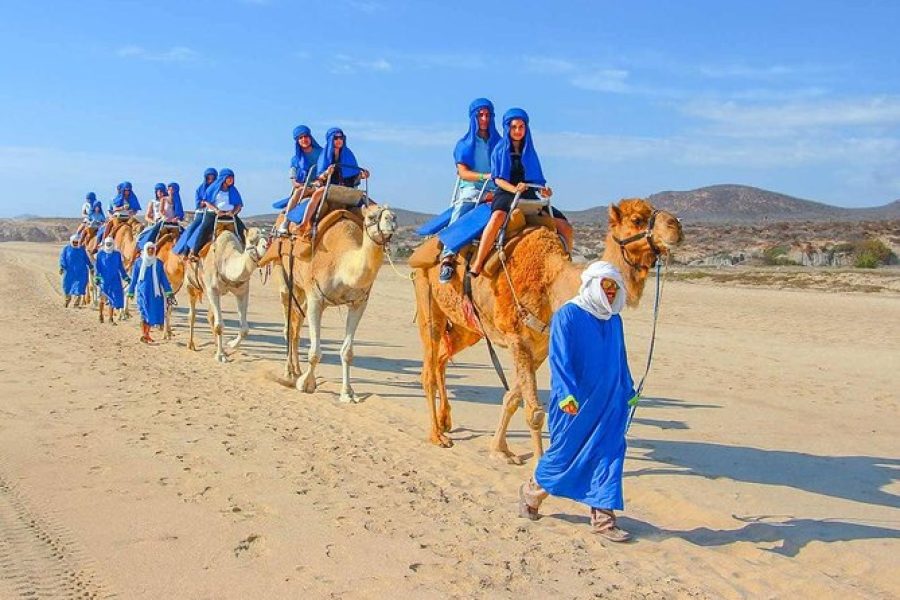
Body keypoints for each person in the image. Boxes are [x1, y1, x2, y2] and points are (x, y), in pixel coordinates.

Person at [518, 261, 634, 542]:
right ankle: (531, 492)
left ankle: (604, 519)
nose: (609, 293)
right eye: (605, 286)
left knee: (610, 453)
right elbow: (560, 360)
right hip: (574, 403)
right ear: (592, 285)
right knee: (564, 456)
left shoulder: (614, 320)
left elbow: (620, 357)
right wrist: (566, 393)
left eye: (613, 287)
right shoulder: (568, 315)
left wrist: (628, 388)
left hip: (609, 401)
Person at [469, 108, 572, 276]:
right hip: (506, 192)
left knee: (565, 226)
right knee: (497, 218)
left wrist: (544, 191)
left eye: (521, 127)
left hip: (530, 194)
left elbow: (537, 179)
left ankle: (567, 262)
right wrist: (514, 189)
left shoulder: (530, 152)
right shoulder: (500, 150)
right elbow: (498, 179)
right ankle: (478, 263)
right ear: (508, 128)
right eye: (514, 127)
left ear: (526, 128)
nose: (518, 131)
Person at [439, 98, 501, 283]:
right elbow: (463, 172)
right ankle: (447, 256)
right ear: (473, 117)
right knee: (463, 206)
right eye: (480, 115)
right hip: (473, 188)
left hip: (497, 188)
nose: (484, 119)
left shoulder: (499, 143)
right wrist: (485, 177)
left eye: (488, 115)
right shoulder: (464, 144)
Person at [297, 127, 369, 233]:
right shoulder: (325, 155)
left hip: (346, 188)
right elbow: (320, 176)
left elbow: (354, 173)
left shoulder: (348, 154)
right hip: (330, 187)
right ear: (331, 139)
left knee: (368, 202)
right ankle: (305, 222)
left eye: (341, 138)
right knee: (318, 193)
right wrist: (326, 173)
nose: (339, 140)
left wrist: (362, 175)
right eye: (336, 138)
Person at [186, 168, 246, 259]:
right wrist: (216, 210)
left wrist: (233, 212)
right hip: (214, 215)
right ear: (224, 178)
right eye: (229, 178)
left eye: (232, 178)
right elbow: (207, 202)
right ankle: (195, 252)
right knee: (204, 230)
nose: (231, 180)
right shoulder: (213, 188)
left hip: (230, 216)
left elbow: (239, 205)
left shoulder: (233, 190)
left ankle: (249, 251)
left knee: (244, 231)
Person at [276, 125, 323, 235]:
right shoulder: (295, 160)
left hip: (323, 184)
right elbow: (293, 180)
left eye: (305, 136)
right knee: (298, 191)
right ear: (297, 141)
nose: (304, 140)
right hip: (305, 187)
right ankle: (286, 222)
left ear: (310, 137)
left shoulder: (322, 153)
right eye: (300, 138)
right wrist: (309, 184)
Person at [127, 242, 174, 343]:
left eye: (152, 249)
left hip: (155, 293)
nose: (151, 251)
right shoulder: (139, 262)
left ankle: (147, 334)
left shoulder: (158, 263)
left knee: (152, 314)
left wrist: (169, 291)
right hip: (142, 292)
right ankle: (145, 334)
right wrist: (131, 291)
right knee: (144, 313)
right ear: (145, 249)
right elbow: (134, 278)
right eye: (149, 249)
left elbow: (163, 279)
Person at [174, 168, 217, 255]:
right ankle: (186, 249)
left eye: (213, 178)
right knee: (193, 227)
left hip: (216, 213)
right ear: (206, 178)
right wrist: (205, 203)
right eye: (209, 178)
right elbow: (198, 204)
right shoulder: (200, 189)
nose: (211, 180)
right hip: (202, 213)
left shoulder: (218, 189)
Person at [94, 236, 130, 324]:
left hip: (115, 280)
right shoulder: (100, 254)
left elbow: (120, 267)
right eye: (107, 244)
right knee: (102, 298)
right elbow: (97, 267)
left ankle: (110, 318)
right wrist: (97, 277)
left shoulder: (117, 254)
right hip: (104, 280)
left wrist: (125, 277)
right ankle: (100, 315)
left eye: (110, 244)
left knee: (112, 299)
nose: (109, 245)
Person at [59, 234, 93, 307]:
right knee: (67, 286)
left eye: (77, 242)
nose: (75, 244)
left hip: (81, 271)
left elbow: (86, 258)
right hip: (69, 271)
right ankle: (67, 300)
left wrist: (90, 266)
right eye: (74, 242)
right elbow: (62, 258)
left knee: (79, 286)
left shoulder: (81, 249)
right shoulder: (66, 249)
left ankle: (76, 303)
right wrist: (62, 267)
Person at [136, 183, 168, 250]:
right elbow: (147, 216)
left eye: (161, 191)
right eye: (158, 191)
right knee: (142, 235)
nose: (159, 193)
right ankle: (141, 249)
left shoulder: (168, 201)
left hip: (167, 221)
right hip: (156, 222)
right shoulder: (153, 202)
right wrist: (154, 221)